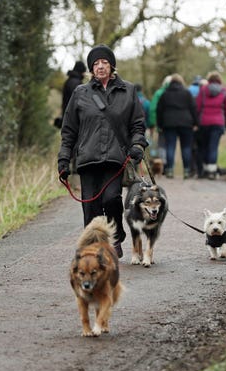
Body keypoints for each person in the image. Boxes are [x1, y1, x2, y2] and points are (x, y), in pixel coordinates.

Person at [58, 45, 147, 258]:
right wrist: (63, 159)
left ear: (111, 66)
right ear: (91, 69)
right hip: (87, 158)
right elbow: (69, 129)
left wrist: (137, 145)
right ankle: (96, 246)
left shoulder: (128, 90)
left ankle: (115, 236)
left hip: (115, 157)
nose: (100, 67)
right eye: (96, 64)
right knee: (90, 206)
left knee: (111, 199)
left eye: (104, 62)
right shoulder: (80, 93)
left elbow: (137, 124)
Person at [156, 74, 198, 179]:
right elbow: (193, 108)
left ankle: (169, 170)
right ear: (181, 82)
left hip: (169, 123)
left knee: (170, 147)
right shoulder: (187, 93)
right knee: (186, 147)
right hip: (186, 123)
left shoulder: (165, 94)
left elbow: (159, 110)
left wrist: (160, 124)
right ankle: (187, 171)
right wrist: (196, 122)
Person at [195, 71, 226, 179]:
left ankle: (205, 170)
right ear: (219, 80)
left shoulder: (203, 90)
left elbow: (197, 106)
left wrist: (197, 121)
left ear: (209, 79)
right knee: (213, 147)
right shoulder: (224, 91)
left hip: (204, 123)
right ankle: (212, 171)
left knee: (204, 146)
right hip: (218, 123)